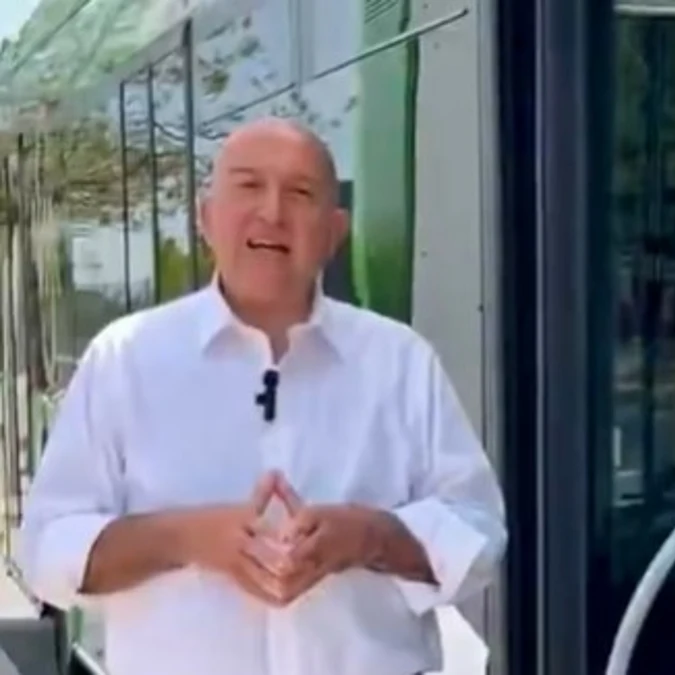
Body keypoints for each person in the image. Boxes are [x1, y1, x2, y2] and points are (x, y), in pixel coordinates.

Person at [16, 118, 507, 675]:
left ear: (335, 231)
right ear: (206, 218)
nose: (272, 212)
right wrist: (187, 538)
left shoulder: (400, 361)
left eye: (300, 193)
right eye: (249, 186)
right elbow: (48, 550)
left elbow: (477, 534)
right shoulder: (125, 358)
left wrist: (369, 536)